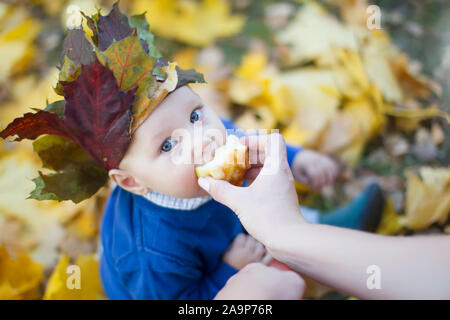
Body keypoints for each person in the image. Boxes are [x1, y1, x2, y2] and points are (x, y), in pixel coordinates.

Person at [199, 133, 450, 300]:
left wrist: (295, 157)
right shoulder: (161, 244)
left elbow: (236, 133)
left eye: (195, 114)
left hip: (260, 238)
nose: (200, 141)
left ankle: (318, 234)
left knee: (284, 211)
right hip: (244, 270)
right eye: (167, 145)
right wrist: (226, 274)